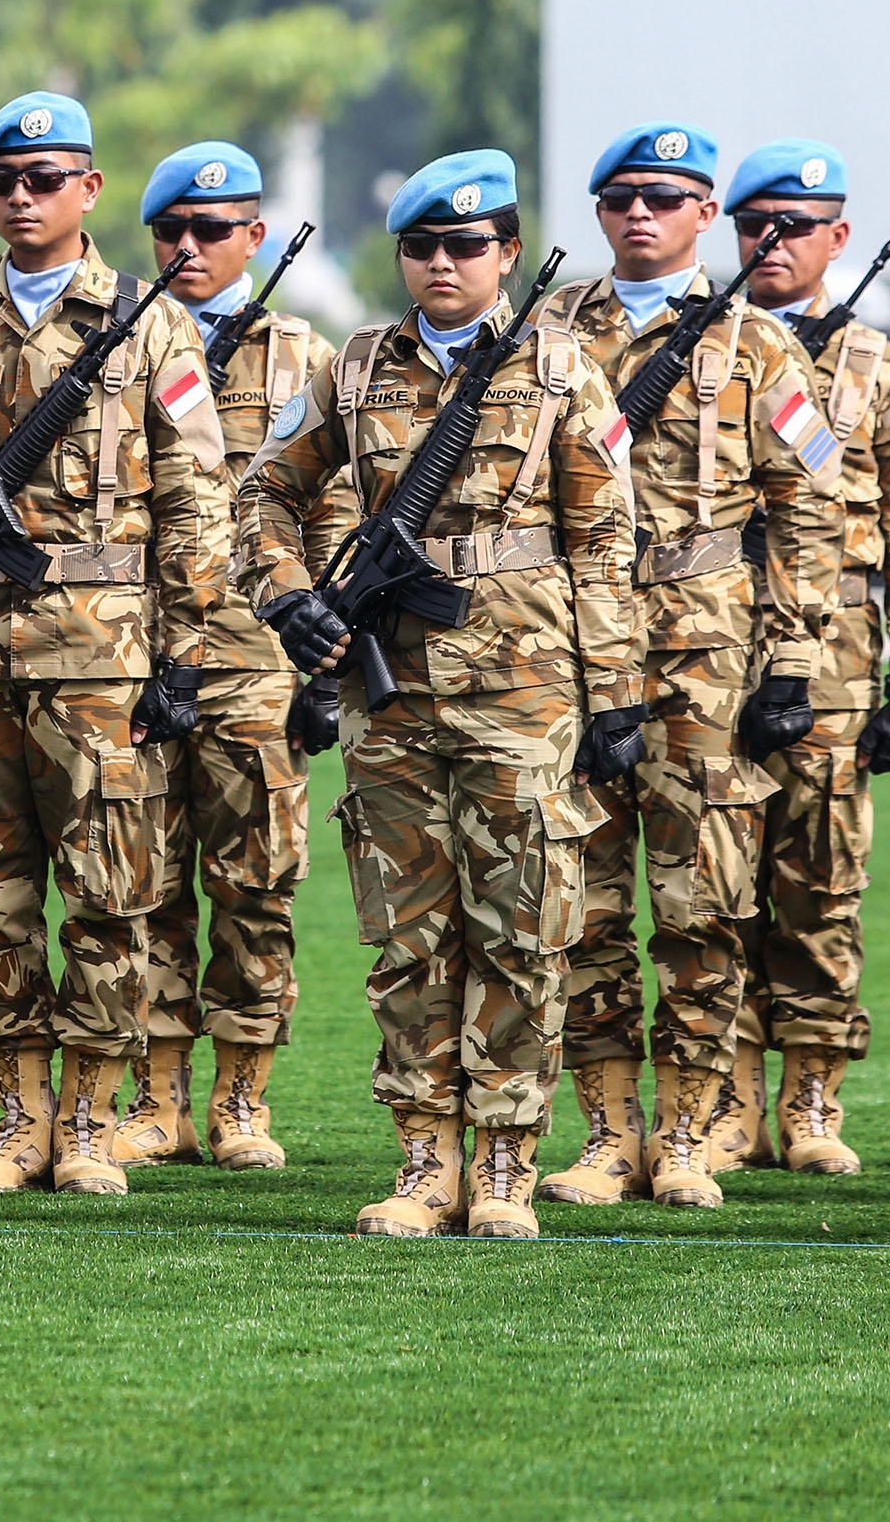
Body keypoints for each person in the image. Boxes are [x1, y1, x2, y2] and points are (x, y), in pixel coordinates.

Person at [238, 149, 642, 1239]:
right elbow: (263, 494)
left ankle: (505, 1161)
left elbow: (605, 542)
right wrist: (287, 599)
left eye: (466, 245)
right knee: (409, 935)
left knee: (520, 933)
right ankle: (424, 1159)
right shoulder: (355, 367)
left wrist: (614, 694)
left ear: (507, 253)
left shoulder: (560, 368)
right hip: (394, 700)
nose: (441, 263)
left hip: (524, 695)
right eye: (421, 245)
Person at [0, 97, 230, 1200]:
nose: (19, 197)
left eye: (43, 178)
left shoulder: (150, 324)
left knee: (110, 891)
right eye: (3, 180)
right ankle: (18, 1121)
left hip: (104, 653)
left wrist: (185, 653)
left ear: (88, 190)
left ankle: (91, 1121)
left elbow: (196, 499)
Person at [535, 123, 837, 1210]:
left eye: (664, 198)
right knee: (583, 900)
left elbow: (811, 508)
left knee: (703, 902)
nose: (638, 215)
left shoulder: (758, 345)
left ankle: (690, 1131)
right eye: (618, 197)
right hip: (570, 650)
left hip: (704, 654)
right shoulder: (543, 331)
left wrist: (792, 662)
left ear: (704, 213)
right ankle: (609, 1134)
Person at [133, 139, 342, 1172]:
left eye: (210, 231)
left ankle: (243, 1097)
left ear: (254, 238)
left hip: (257, 658)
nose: (187, 246)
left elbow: (336, 511)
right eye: (168, 231)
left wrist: (325, 667)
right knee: (138, 883)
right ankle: (156, 1094)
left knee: (255, 881)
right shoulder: (121, 341)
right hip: (131, 655)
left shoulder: (304, 358)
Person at [726, 139, 890, 1176]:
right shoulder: (695, 354)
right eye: (752, 225)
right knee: (708, 891)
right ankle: (724, 1102)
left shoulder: (884, 369)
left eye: (793, 226)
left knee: (819, 883)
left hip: (838, 666)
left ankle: (810, 1097)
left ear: (837, 238)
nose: (770, 243)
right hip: (706, 653)